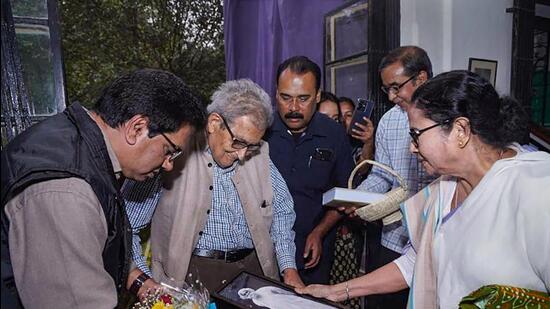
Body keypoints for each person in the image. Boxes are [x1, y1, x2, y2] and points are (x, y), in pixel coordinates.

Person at [297, 70, 550, 308]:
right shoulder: (445, 190)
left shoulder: (534, 189)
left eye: (416, 135)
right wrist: (335, 291)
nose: (412, 148)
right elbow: (417, 262)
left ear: (460, 130)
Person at [0, 69, 206, 308]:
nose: (169, 165)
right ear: (137, 128)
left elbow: (94, 242)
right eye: (170, 151)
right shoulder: (67, 193)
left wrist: (139, 281)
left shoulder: (81, 147)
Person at [123, 79, 303, 295]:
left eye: (252, 146)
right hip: (191, 275)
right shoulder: (172, 151)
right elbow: (128, 226)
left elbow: (282, 212)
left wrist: (288, 268)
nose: (243, 154)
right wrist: (143, 280)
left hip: (253, 271)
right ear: (214, 123)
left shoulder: (259, 153)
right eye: (238, 142)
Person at [356, 46, 436, 308]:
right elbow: (381, 175)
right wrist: (358, 199)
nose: (391, 97)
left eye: (396, 87)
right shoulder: (390, 121)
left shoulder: (449, 118)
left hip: (435, 239)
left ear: (421, 79)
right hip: (395, 236)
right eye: (386, 89)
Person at [264, 56, 354, 285]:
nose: (293, 108)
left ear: (317, 96)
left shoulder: (334, 134)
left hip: (312, 250)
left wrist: (319, 232)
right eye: (286, 98)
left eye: (303, 99)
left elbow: (344, 194)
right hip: (263, 248)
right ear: (276, 94)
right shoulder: (261, 132)